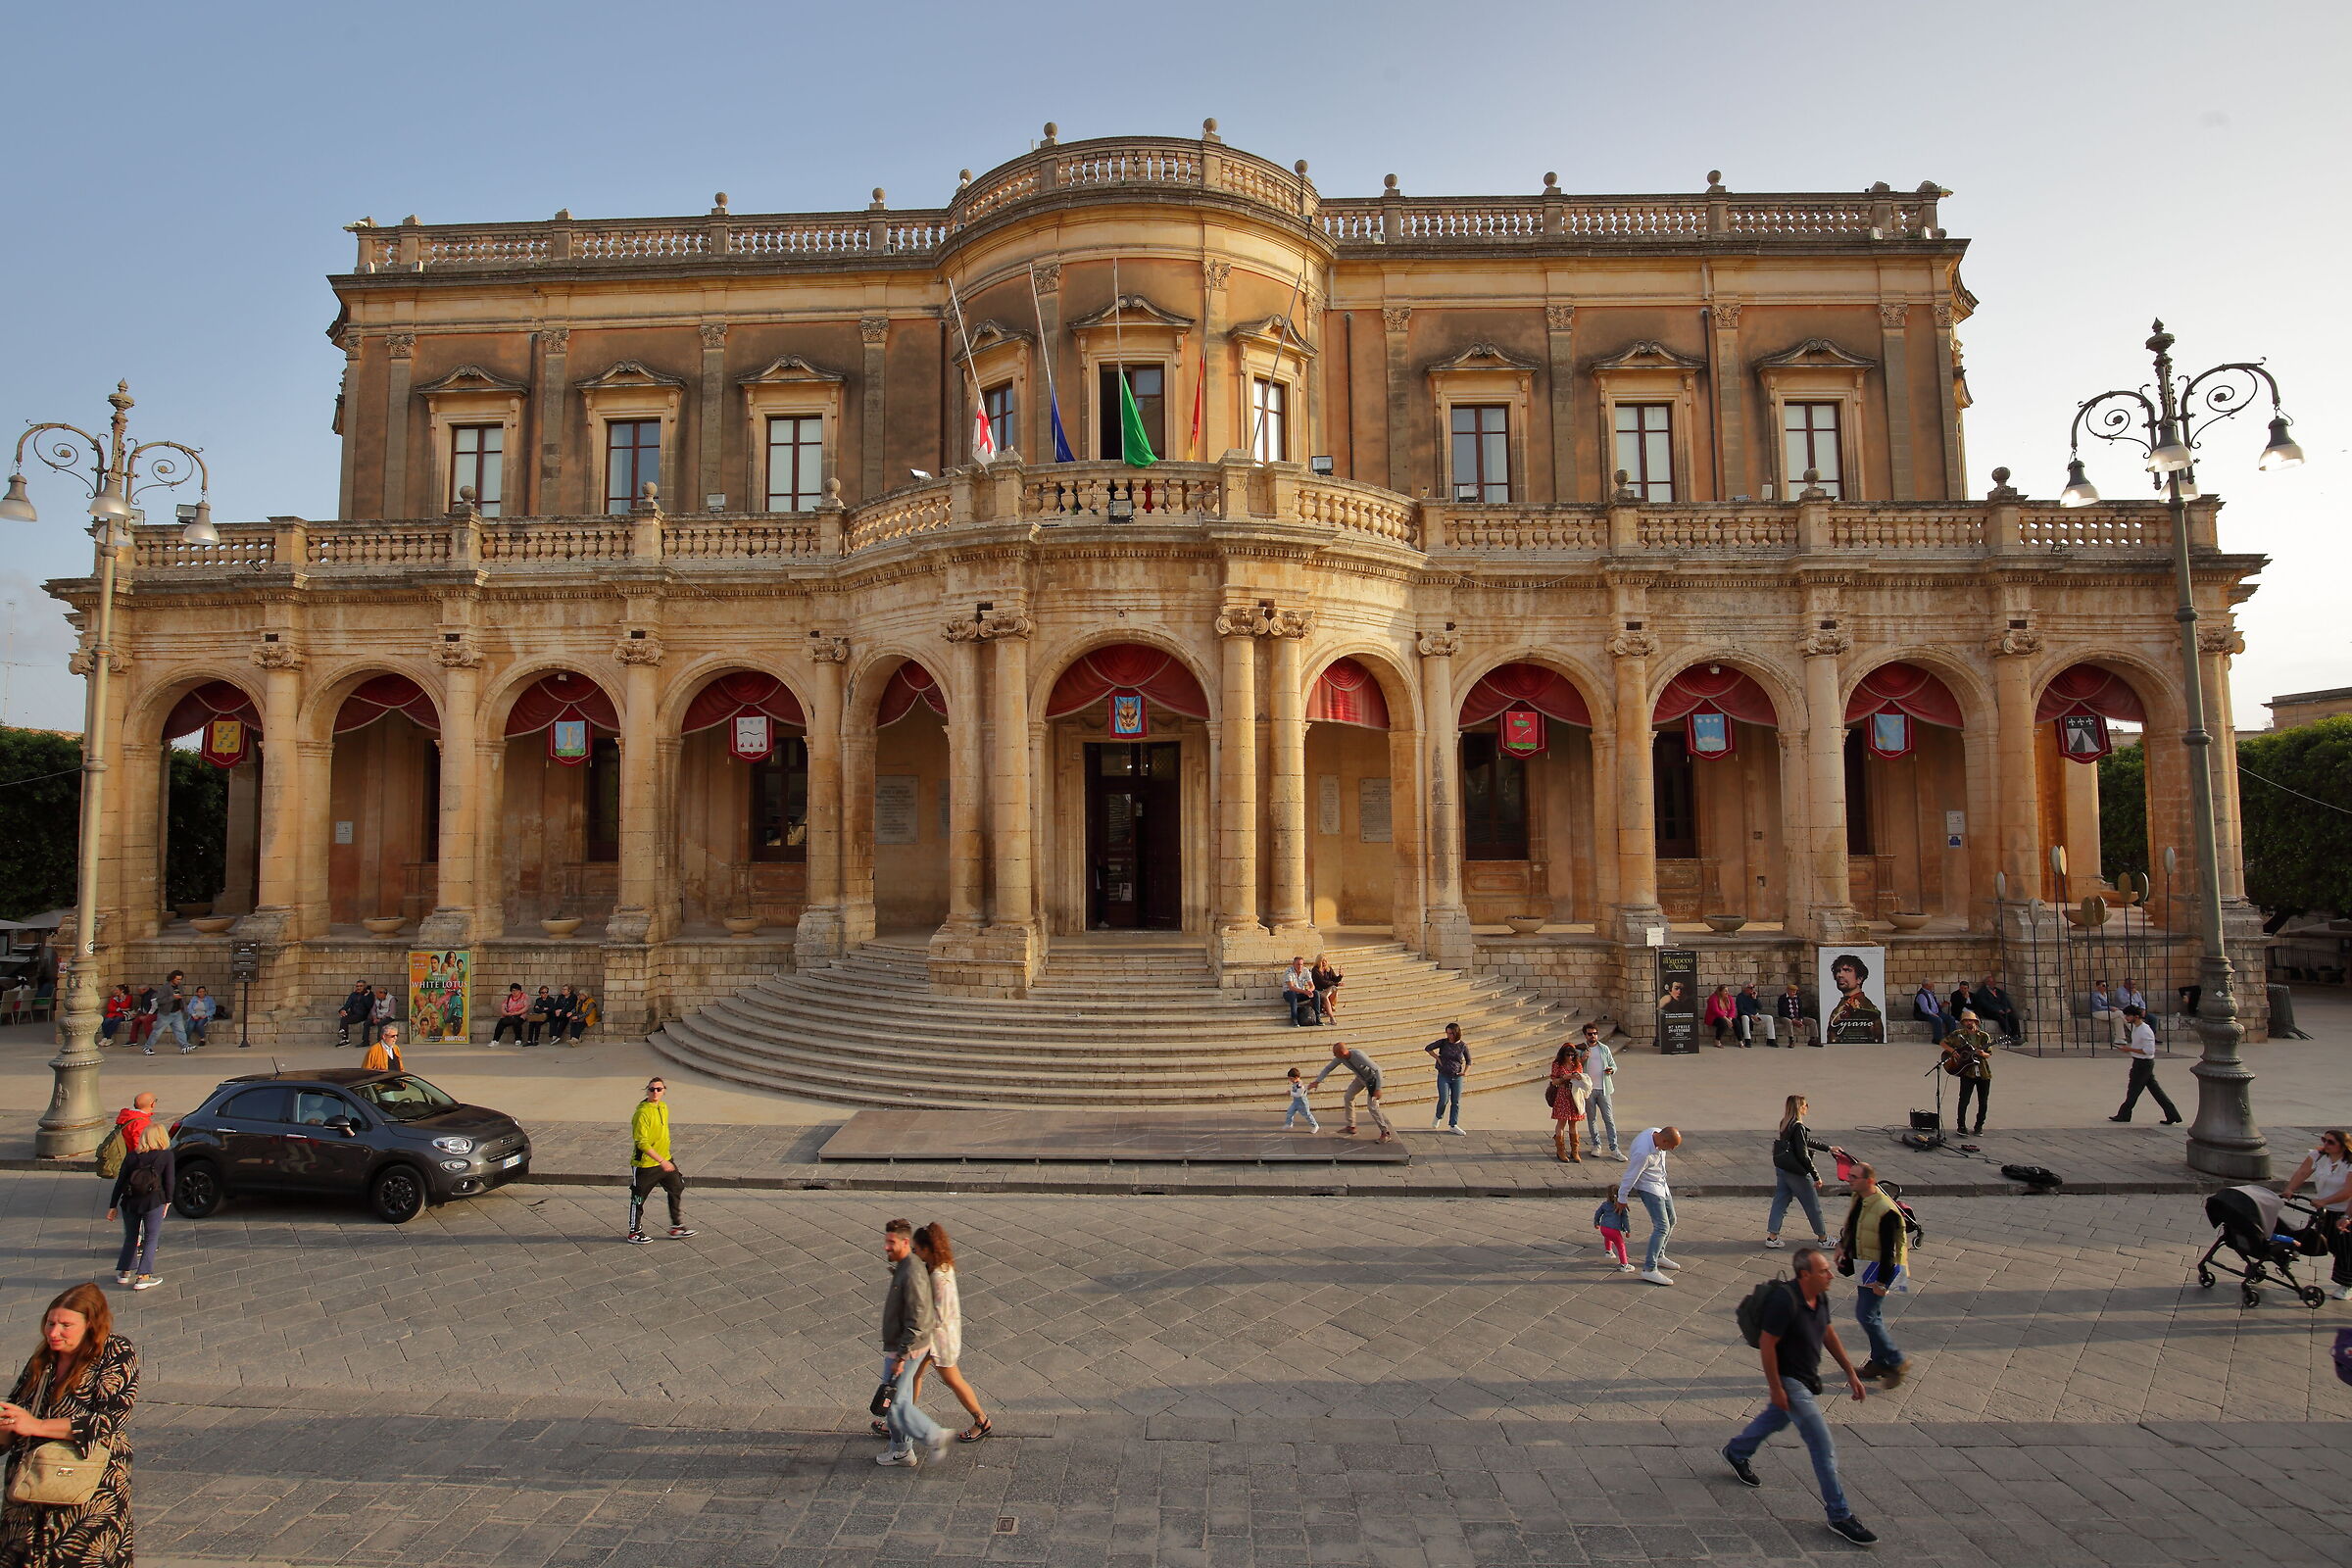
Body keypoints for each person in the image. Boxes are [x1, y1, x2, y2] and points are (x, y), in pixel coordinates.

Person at [1721, 1249, 1877, 1547]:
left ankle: (1736, 1452)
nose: (1831, 1275)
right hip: (1791, 1383)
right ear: (1805, 1274)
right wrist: (1777, 1388)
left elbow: (1828, 1332)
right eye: (1823, 1271)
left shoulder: (1820, 1296)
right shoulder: (1784, 1301)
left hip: (1807, 1378)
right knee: (1823, 1445)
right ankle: (1840, 1515)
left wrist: (1850, 1371)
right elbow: (1767, 1346)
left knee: (1774, 1419)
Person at [0, 1284, 139, 1565]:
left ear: (91, 1324)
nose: (54, 1332)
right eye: (50, 1323)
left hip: (85, 1493)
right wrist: (7, 1421)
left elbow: (107, 1421)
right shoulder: (44, 1358)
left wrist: (35, 1426)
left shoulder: (115, 1352)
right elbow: (18, 1415)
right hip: (30, 1492)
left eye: (66, 1325)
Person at [912, 1223, 991, 1444]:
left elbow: (939, 1313)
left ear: (927, 1248)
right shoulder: (939, 1266)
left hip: (939, 1339)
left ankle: (981, 1420)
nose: (914, 1253)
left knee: (953, 1380)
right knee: (914, 1375)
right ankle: (899, 1421)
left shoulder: (939, 1276)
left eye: (916, 1248)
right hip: (935, 1337)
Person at [875, 1218, 944, 1467]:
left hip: (907, 1348)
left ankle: (932, 1437)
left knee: (894, 1403)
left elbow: (916, 1318)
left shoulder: (912, 1271)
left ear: (905, 1242)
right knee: (896, 1402)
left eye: (890, 1242)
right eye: (886, 1242)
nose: (886, 1247)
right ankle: (902, 1449)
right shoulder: (906, 1266)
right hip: (904, 1347)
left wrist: (901, 1357)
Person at [1837, 1162, 1910, 1389]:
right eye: (1849, 1176)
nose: (1849, 1180)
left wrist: (1883, 1283)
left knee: (1866, 1315)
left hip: (1880, 1268)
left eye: (1855, 1177)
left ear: (1869, 1181)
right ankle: (1879, 1363)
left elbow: (1890, 1250)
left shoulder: (1885, 1210)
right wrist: (1842, 1245)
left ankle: (1896, 1360)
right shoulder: (1859, 1198)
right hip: (1865, 1262)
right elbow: (1852, 1226)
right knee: (1873, 1315)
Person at [2280, 1129, 2352, 1301]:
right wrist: (2290, 1189)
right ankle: (2288, 1256)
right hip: (2325, 1211)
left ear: (2342, 1146)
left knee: (2345, 1249)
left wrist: (2325, 1201)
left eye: (2331, 1142)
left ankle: (2347, 1285)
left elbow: (2349, 1191)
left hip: (2346, 1210)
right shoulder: (2318, 1156)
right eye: (2324, 1140)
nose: (2325, 1145)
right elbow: (2302, 1173)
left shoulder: (2349, 1163)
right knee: (2320, 1240)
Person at [106, 1125, 174, 1292]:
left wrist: (112, 1205)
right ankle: (143, 1276)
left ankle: (124, 1272)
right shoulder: (165, 1156)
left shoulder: (131, 1156)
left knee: (131, 1236)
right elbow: (169, 1181)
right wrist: (168, 1202)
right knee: (151, 1237)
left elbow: (120, 1182)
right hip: (153, 1201)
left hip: (130, 1201)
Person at [1765, 1095, 1838, 1250]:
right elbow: (1803, 1154)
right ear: (1799, 1107)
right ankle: (1823, 1238)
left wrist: (1828, 1148)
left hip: (1782, 1168)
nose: (1807, 1107)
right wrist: (1815, 1175)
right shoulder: (1798, 1126)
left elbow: (1804, 1141)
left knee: (1780, 1202)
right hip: (1796, 1172)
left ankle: (1772, 1237)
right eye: (1805, 1105)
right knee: (1812, 1205)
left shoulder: (1785, 1123)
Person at [626, 1078, 695, 1244]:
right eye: (651, 1089)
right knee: (638, 1197)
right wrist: (661, 1161)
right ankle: (634, 1231)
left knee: (677, 1186)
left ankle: (676, 1226)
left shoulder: (663, 1107)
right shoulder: (642, 1113)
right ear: (647, 1091)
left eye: (658, 1089)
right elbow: (641, 1143)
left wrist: (666, 1159)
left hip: (665, 1160)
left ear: (664, 1090)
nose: (655, 1092)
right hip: (646, 1165)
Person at [1615, 1126, 1684, 1286]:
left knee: (1672, 1219)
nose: (1672, 1150)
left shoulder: (1655, 1131)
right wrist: (1622, 1197)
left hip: (1661, 1184)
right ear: (1664, 1140)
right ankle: (1649, 1268)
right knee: (1662, 1226)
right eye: (1671, 1146)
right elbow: (1630, 1176)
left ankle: (1659, 1255)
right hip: (1649, 1188)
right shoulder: (1643, 1153)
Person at [2108, 1004, 2180, 1124]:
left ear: (2136, 1017)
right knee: (2155, 1091)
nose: (2126, 1018)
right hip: (2139, 1062)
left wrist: (2129, 1049)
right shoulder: (2136, 1028)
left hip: (2143, 1064)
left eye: (2128, 1016)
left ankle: (2124, 1114)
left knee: (2133, 1090)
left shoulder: (2145, 1030)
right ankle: (2173, 1115)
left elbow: (2148, 1051)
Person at [1310, 1040, 1394, 1142]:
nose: (1334, 1055)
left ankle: (1385, 1132)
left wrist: (1378, 1088)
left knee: (1372, 1107)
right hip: (1360, 1079)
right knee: (1348, 1097)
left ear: (1341, 1053)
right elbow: (1328, 1068)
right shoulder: (1340, 1058)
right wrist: (1317, 1081)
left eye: (1335, 1053)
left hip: (1372, 1080)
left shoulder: (1358, 1055)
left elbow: (1377, 1069)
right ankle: (1351, 1126)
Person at [1939, 1010, 1995, 1135]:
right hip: (1966, 1072)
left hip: (1983, 1072)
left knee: (1983, 1102)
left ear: (1976, 1022)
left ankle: (1979, 1126)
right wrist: (1953, 1052)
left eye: (1971, 1020)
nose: (1968, 1023)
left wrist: (1982, 1054)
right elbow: (1943, 1043)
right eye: (1966, 1021)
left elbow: (1989, 1054)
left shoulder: (1984, 1036)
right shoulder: (1958, 1034)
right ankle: (1961, 1126)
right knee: (1964, 1100)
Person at [1579, 1022, 1621, 1158]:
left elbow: (1613, 1065)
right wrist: (1582, 1059)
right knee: (1592, 1119)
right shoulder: (1581, 1050)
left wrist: (1611, 1070)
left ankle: (1614, 1148)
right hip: (1589, 1090)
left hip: (1604, 1089)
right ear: (1585, 1035)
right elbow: (1576, 1068)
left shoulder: (1604, 1049)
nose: (1593, 1036)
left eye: (1595, 1033)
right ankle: (1596, 1145)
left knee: (1609, 1119)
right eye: (1590, 1034)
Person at [1822, 955, 1883, 1045]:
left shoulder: (1864, 1006)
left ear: (1859, 979)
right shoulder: (1843, 1004)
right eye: (1838, 971)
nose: (1840, 975)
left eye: (1847, 970)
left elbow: (1876, 1038)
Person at [1424, 1023, 1471, 1135]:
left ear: (1456, 1033)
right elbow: (1428, 1048)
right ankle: (1438, 1116)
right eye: (1447, 1033)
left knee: (1456, 1101)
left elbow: (1469, 1060)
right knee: (1443, 1099)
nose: (1449, 1035)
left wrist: (1465, 1072)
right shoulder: (1443, 1043)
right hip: (1444, 1075)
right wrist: (1437, 1058)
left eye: (1451, 1033)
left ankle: (1453, 1124)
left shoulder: (1462, 1045)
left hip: (1457, 1075)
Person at [1545, 1042, 1587, 1162]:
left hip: (1574, 1095)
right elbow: (1554, 1081)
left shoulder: (1576, 1064)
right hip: (1563, 1094)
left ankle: (1575, 1151)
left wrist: (1579, 1077)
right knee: (1561, 1122)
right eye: (1568, 1055)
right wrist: (1565, 1078)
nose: (1570, 1057)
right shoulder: (1557, 1064)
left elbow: (1582, 1077)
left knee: (1574, 1123)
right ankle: (1561, 1150)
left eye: (1572, 1055)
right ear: (1563, 1055)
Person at [1969, 975, 2020, 1044]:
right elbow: (1985, 1004)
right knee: (2001, 1019)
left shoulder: (1999, 992)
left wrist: (2007, 1008)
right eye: (1990, 982)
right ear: (1986, 983)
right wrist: (1997, 1010)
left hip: (2002, 1010)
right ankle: (2009, 1035)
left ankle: (2016, 1035)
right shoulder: (1982, 993)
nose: (1992, 983)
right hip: (1990, 1012)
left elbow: (2005, 1001)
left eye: (1993, 982)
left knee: (2013, 1017)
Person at [154, 971, 192, 1054]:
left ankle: (185, 1046)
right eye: (177, 979)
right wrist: (172, 997)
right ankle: (147, 1047)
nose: (179, 981)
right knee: (157, 1032)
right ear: (172, 978)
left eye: (180, 979)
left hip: (177, 1012)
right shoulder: (165, 987)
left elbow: (182, 999)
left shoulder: (180, 986)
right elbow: (159, 1000)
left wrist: (184, 1009)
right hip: (166, 1013)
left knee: (180, 1030)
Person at [1592, 1195, 1631, 1272]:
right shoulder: (1621, 1207)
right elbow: (1625, 1220)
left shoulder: (1605, 1204)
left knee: (1608, 1236)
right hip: (1614, 1230)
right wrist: (1627, 1230)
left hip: (1603, 1228)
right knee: (1621, 1246)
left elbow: (1598, 1213)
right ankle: (1624, 1265)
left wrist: (1596, 1223)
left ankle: (1608, 1251)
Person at [1281, 957, 1319, 1027]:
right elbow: (1291, 987)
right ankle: (1294, 1020)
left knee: (1316, 993)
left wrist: (1309, 990)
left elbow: (1312, 986)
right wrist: (1305, 992)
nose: (1300, 966)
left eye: (1301, 964)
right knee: (1292, 995)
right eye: (1298, 964)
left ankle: (1318, 1018)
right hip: (1289, 993)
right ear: (1293, 964)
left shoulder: (1305, 970)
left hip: (1301, 993)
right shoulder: (1288, 972)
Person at [1776, 982, 1815, 1048]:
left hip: (1797, 1017)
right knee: (1789, 1022)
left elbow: (1801, 1010)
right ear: (1788, 990)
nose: (1794, 993)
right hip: (1785, 1017)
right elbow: (1782, 1012)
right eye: (1792, 991)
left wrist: (1800, 1019)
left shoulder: (1798, 999)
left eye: (1795, 992)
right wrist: (1793, 1020)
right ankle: (1791, 1040)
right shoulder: (1782, 998)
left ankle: (1813, 1039)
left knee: (1812, 1021)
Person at [1737, 982, 1776, 1047]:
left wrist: (1755, 999)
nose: (1752, 989)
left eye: (1753, 987)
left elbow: (1760, 1007)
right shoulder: (1740, 997)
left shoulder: (1753, 996)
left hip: (1755, 1015)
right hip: (1747, 1016)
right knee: (1745, 1017)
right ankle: (1747, 1039)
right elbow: (1740, 1010)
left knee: (1769, 1018)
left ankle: (1771, 1039)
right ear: (1745, 988)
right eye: (1750, 988)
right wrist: (1751, 1016)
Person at [336, 980, 372, 1049]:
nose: (358, 988)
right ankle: (344, 1037)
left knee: (345, 1019)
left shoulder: (369, 995)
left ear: (365, 987)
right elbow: (347, 1004)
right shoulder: (353, 994)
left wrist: (365, 996)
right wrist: (342, 1010)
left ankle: (344, 1036)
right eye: (357, 986)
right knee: (344, 1015)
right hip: (353, 1013)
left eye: (361, 986)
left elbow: (369, 1006)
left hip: (363, 1014)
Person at [1309, 954, 1345, 1023]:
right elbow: (1323, 983)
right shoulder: (1315, 970)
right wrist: (1336, 983)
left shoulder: (1329, 969)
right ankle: (1331, 1017)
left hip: (1327, 990)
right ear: (1318, 962)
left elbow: (1334, 979)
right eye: (1322, 961)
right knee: (1325, 996)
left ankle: (1329, 1006)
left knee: (1334, 988)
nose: (1324, 963)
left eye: (1325, 961)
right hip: (1319, 991)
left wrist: (1340, 976)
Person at [2088, 978, 2124, 1047]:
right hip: (2097, 1012)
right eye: (2103, 985)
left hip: (2105, 1012)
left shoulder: (2105, 994)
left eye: (2106, 985)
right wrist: (2111, 1008)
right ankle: (2132, 1029)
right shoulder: (2095, 995)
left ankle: (2119, 1038)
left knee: (2118, 1019)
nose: (2105, 987)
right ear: (2098, 986)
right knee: (2120, 1013)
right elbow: (2098, 1007)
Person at [1281, 1068, 1317, 1132]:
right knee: (1289, 1112)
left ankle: (1315, 1126)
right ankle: (1289, 1124)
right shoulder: (1296, 1083)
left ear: (1297, 1077)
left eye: (1291, 1078)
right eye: (1289, 1078)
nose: (1290, 1080)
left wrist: (1290, 1093)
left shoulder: (1300, 1085)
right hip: (1296, 1102)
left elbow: (1299, 1094)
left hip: (1302, 1103)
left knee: (1307, 1115)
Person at [127, 985, 158, 1054]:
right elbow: (143, 1006)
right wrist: (137, 1012)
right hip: (146, 1013)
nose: (138, 992)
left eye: (139, 991)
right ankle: (133, 1040)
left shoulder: (153, 994)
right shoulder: (144, 995)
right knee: (136, 1021)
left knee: (146, 1021)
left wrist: (147, 1016)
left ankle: (150, 1041)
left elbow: (154, 1007)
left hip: (156, 1013)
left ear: (145, 989)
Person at [367, 984, 396, 1049]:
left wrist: (382, 1018)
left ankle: (379, 1042)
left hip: (388, 1017)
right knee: (367, 1023)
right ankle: (365, 1041)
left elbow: (391, 1011)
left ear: (383, 993)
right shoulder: (377, 999)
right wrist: (374, 1018)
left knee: (381, 1024)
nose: (376, 995)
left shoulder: (391, 999)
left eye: (378, 994)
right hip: (378, 1016)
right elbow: (373, 1009)